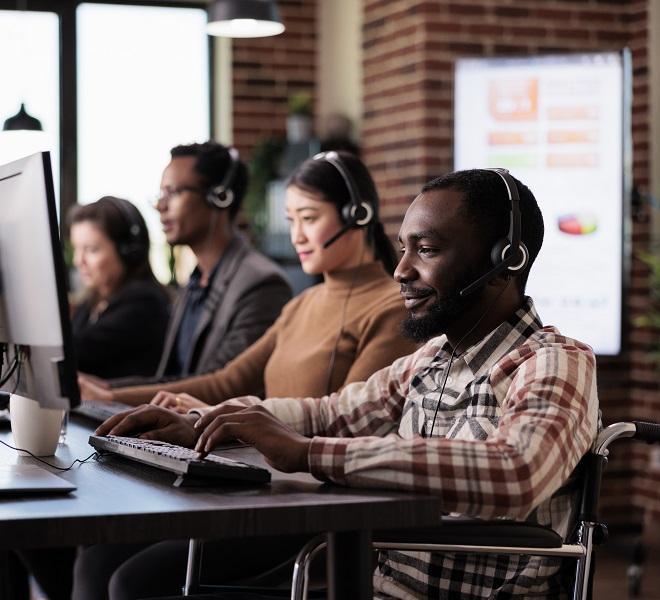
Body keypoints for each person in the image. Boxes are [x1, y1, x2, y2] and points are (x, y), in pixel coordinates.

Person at [96, 169, 600, 599]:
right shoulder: (433, 359)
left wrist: (310, 453)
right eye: (404, 249)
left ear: (504, 260)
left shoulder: (555, 362)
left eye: (425, 250)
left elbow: (515, 473)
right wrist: (209, 422)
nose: (402, 270)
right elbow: (330, 413)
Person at [84, 151, 417, 413]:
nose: (297, 236)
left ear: (358, 215)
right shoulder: (301, 305)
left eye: (310, 218)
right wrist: (109, 395)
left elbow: (344, 416)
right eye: (291, 220)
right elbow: (226, 383)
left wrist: (233, 415)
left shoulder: (391, 309)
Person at [79, 141, 292, 392]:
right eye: (161, 194)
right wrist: (103, 387)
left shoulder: (260, 284)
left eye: (174, 192)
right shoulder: (195, 282)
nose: (161, 205)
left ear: (219, 197)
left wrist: (111, 396)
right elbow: (173, 377)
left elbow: (221, 387)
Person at [69, 196, 170, 379]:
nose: (78, 261)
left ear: (128, 250)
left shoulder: (145, 303)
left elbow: (74, 354)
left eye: (91, 250)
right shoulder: (91, 302)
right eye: (77, 248)